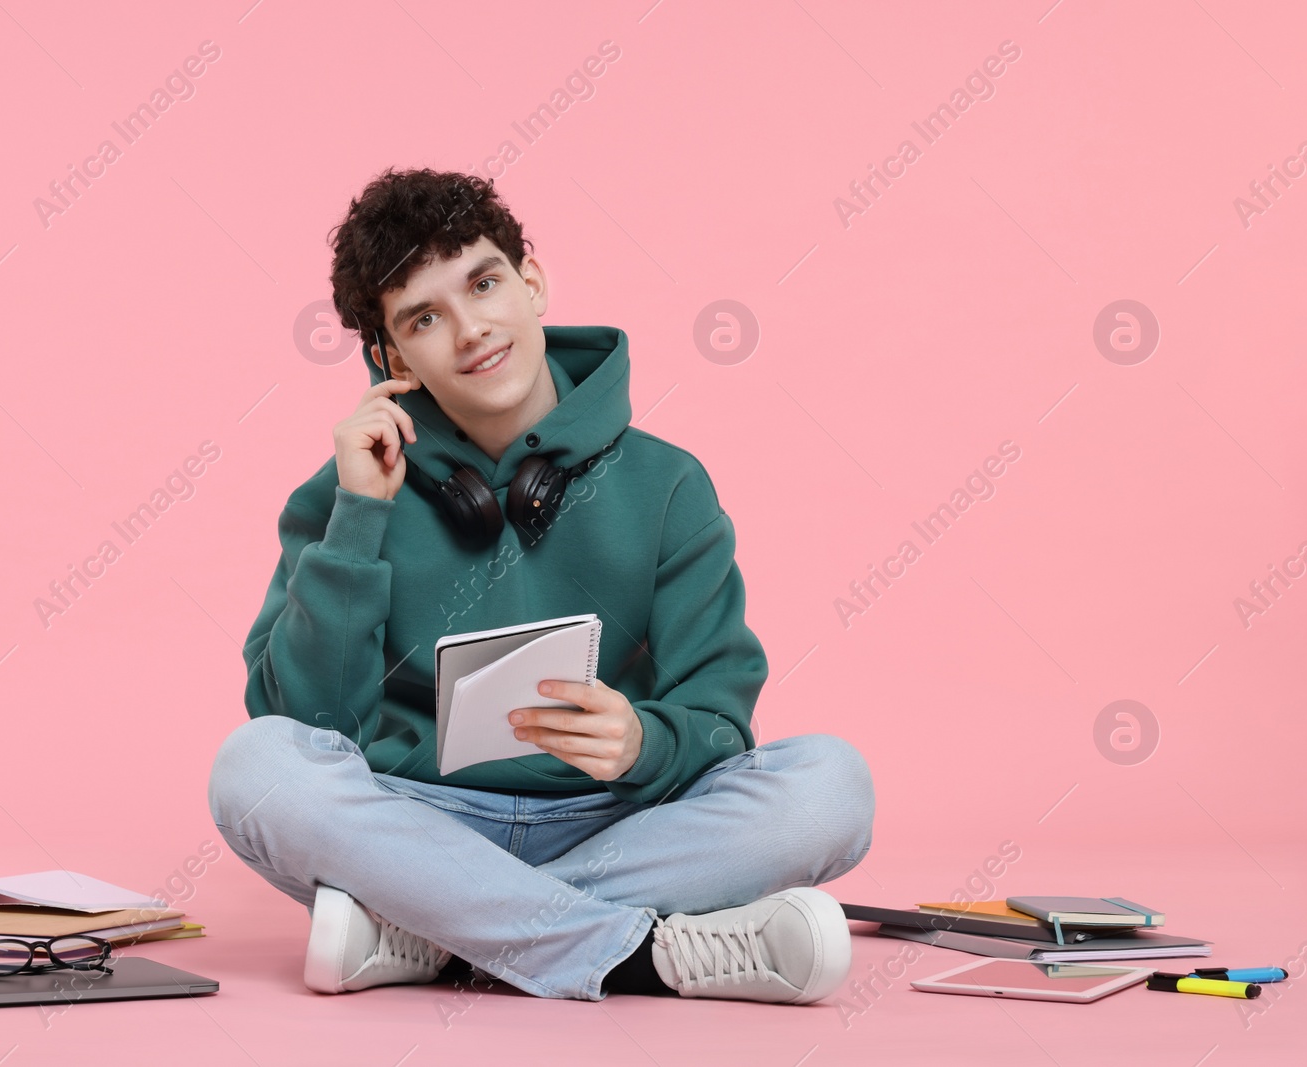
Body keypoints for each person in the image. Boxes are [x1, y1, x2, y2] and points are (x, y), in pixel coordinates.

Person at [207, 166, 874, 1004]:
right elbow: (308, 725)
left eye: (484, 284)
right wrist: (358, 518)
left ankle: (436, 932)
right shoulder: (345, 491)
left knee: (830, 786)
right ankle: (637, 954)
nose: (472, 330)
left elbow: (719, 720)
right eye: (424, 317)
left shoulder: (670, 484)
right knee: (254, 767)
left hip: (617, 822)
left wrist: (644, 741)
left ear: (531, 280)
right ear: (389, 355)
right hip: (416, 823)